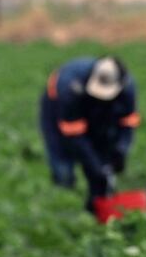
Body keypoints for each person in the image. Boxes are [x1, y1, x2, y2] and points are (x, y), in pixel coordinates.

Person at [39, 55, 140, 213]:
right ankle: (64, 203)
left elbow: (128, 123)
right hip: (57, 108)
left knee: (102, 152)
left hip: (97, 109)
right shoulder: (70, 87)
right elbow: (73, 136)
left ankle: (97, 205)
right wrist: (94, 165)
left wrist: (120, 150)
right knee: (62, 161)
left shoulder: (127, 87)